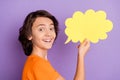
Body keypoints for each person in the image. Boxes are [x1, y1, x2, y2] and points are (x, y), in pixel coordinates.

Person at [18, 10, 90, 80]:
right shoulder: (38, 65)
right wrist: (81, 55)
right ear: (29, 35)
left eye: (51, 28)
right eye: (41, 29)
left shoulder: (36, 62)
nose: (49, 34)